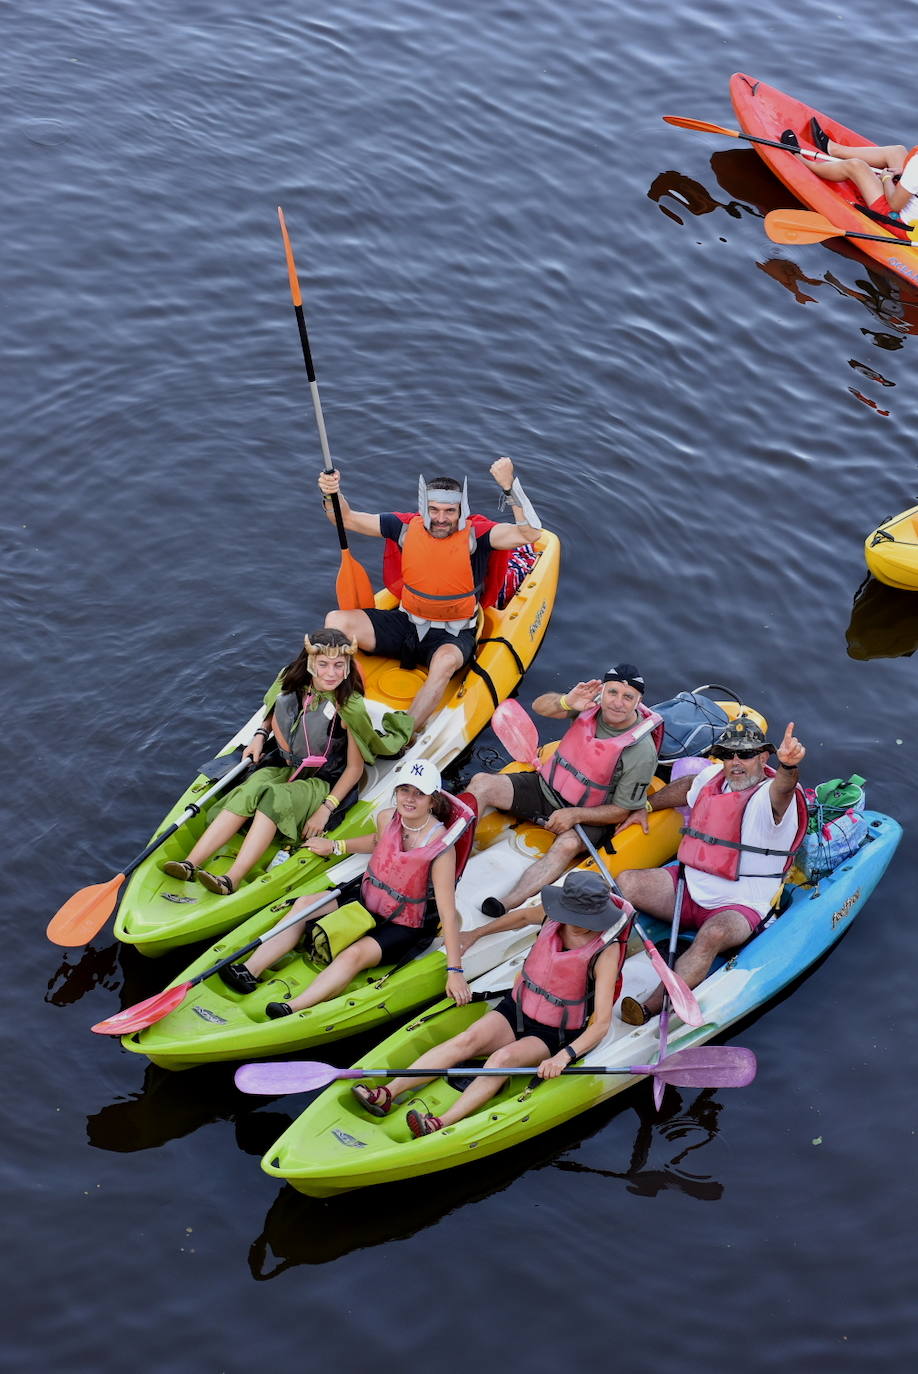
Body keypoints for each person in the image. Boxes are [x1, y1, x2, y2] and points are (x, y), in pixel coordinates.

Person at [350, 869, 633, 1136]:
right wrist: (476, 933)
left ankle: (441, 1122)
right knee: (467, 1039)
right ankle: (388, 1093)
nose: (572, 920)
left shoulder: (606, 951)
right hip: (517, 1008)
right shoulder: (553, 916)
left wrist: (564, 1056)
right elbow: (521, 919)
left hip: (554, 1032)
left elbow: (602, 1024)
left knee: (501, 1060)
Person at [218, 759, 474, 1016]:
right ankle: (249, 969)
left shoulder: (441, 850)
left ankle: (293, 1007)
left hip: (404, 924)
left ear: (432, 800)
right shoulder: (388, 818)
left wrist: (455, 971)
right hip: (368, 895)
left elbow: (447, 912)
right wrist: (335, 846)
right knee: (305, 904)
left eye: (420, 793)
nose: (410, 799)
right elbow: (377, 842)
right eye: (404, 790)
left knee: (353, 954)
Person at [317, 457, 543, 729]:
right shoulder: (403, 526)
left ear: (462, 510)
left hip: (454, 633)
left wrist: (509, 487)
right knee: (335, 622)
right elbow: (347, 519)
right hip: (405, 623)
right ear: (424, 507)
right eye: (434, 510)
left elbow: (530, 534)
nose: (440, 518)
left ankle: (402, 733)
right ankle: (346, 702)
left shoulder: (479, 535)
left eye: (450, 511)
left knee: (446, 661)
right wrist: (332, 494)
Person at [614, 716, 807, 1025]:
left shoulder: (772, 797)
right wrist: (646, 806)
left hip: (738, 903)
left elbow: (783, 789)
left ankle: (651, 1006)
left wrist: (788, 767)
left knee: (712, 935)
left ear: (763, 756)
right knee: (627, 883)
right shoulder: (713, 778)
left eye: (744, 753)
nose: (735, 761)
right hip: (688, 886)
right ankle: (599, 956)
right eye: (727, 753)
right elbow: (689, 786)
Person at [160, 629, 366, 895]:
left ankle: (230, 879)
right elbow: (275, 710)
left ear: (348, 667)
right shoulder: (290, 681)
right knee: (252, 786)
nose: (331, 673)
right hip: (285, 764)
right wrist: (260, 735)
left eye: (339, 665)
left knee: (274, 797)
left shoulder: (350, 707)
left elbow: (355, 768)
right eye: (323, 664)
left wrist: (326, 809)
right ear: (309, 663)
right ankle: (190, 863)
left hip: (321, 780)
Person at [465, 664, 663, 917]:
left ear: (639, 701)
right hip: (546, 788)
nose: (618, 703)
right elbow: (538, 706)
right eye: (613, 693)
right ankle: (450, 850)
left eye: (628, 697)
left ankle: (507, 902)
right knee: (482, 782)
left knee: (566, 846)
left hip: (590, 813)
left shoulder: (641, 751)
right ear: (603, 691)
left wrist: (575, 815)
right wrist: (566, 702)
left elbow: (622, 810)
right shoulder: (588, 705)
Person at [788, 118, 918, 237]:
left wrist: (886, 179)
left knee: (856, 166)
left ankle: (804, 162)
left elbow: (895, 205)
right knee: (897, 152)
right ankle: (833, 150)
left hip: (900, 223)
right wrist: (904, 173)